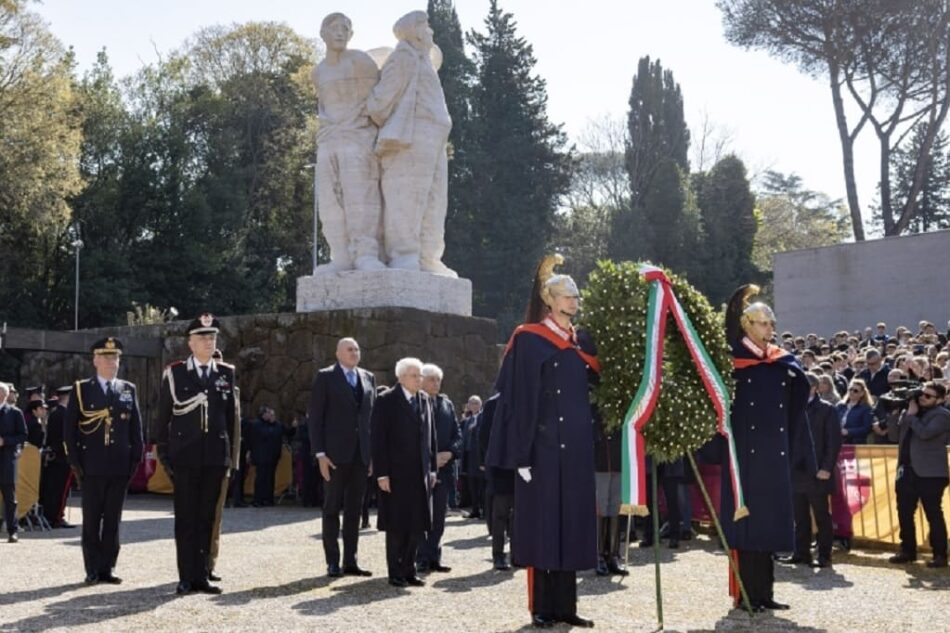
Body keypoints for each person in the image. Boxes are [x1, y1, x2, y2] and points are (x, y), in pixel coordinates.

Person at [486, 254, 598, 629]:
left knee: (571, 526)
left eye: (576, 296)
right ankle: (542, 607)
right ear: (549, 299)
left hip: (577, 452)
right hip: (542, 451)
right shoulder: (529, 338)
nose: (574, 301)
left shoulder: (584, 342)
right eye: (567, 296)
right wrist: (521, 454)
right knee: (544, 526)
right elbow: (516, 400)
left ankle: (566, 606)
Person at [717, 285, 815, 613]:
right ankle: (748, 595)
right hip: (745, 455)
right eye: (763, 324)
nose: (770, 329)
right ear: (747, 325)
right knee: (749, 527)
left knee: (770, 524)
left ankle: (765, 593)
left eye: (771, 324)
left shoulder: (779, 361)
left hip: (774, 453)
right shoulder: (732, 362)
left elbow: (795, 406)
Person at [366, 10, 456, 276]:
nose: (430, 30)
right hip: (410, 140)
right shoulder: (403, 57)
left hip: (435, 141)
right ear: (412, 29)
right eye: (425, 25)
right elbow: (379, 103)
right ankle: (404, 255)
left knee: (434, 201)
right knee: (406, 199)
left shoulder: (424, 60)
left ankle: (428, 257)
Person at [154, 313, 237, 595]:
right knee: (186, 519)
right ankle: (186, 576)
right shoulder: (176, 373)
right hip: (185, 457)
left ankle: (202, 575)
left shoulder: (226, 373)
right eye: (202, 337)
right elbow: (162, 418)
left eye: (212, 337)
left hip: (214, 456)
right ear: (190, 343)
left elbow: (230, 419)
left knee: (207, 518)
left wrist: (229, 457)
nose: (208, 342)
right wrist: (164, 457)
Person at [63, 338, 144, 583]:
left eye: (116, 357)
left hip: (119, 466)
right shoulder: (82, 389)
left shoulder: (127, 389)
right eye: (107, 357)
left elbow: (135, 429)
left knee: (112, 520)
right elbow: (70, 430)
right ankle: (92, 568)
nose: (112, 362)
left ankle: (108, 567)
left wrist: (135, 460)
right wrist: (76, 463)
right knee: (91, 520)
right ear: (95, 360)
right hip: (91, 466)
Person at [311, 12, 386, 273]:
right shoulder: (318, 72)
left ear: (351, 35)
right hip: (329, 139)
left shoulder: (361, 62)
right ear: (323, 34)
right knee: (330, 201)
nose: (340, 33)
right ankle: (340, 256)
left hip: (358, 137)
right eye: (334, 28)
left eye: (345, 28)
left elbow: (379, 100)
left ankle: (366, 254)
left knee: (360, 197)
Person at [308, 337, 376, 578]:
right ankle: (332, 561)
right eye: (349, 349)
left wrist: (372, 455)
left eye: (357, 349)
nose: (354, 352)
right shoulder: (326, 377)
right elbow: (315, 417)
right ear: (338, 353)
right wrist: (320, 454)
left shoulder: (368, 378)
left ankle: (351, 560)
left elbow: (371, 420)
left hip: (360, 455)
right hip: (334, 455)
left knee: (355, 510)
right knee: (331, 508)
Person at [371, 357, 437, 588]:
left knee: (416, 525)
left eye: (420, 376)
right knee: (397, 525)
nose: (419, 380)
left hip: (420, 474)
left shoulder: (425, 400)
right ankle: (395, 571)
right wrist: (381, 474)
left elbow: (431, 437)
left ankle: (409, 569)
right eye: (414, 375)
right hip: (395, 474)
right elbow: (378, 440)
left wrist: (433, 469)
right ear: (400, 377)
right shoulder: (386, 400)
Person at [782, 373, 842, 568]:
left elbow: (833, 442)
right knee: (799, 516)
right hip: (796, 470)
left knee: (822, 515)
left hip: (817, 472)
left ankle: (824, 555)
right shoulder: (793, 409)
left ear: (814, 388)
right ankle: (801, 552)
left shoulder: (827, 410)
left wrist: (826, 468)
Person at [887, 382, 950, 568]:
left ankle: (939, 554)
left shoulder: (942, 415)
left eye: (928, 396)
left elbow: (925, 433)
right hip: (906, 470)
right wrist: (895, 414)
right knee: (904, 512)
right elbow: (894, 436)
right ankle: (907, 550)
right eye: (922, 394)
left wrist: (912, 416)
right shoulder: (911, 412)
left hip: (931, 473)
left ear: (940, 399)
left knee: (933, 513)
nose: (923, 398)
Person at [416, 363, 461, 574]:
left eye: (438, 380)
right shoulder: (414, 403)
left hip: (444, 469)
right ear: (421, 380)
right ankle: (421, 557)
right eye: (432, 379)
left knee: (439, 517)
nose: (436, 383)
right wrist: (431, 459)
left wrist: (450, 453)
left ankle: (434, 556)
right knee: (421, 514)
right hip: (420, 470)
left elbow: (458, 435)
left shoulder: (447, 404)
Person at [207, 349, 241, 583]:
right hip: (197, 458)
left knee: (215, 516)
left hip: (222, 458)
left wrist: (233, 459)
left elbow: (235, 428)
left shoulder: (232, 391)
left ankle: (210, 563)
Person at [478, 394, 514, 570]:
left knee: (519, 515)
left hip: (521, 466)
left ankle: (518, 552)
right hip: (500, 467)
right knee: (500, 514)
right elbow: (484, 435)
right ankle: (498, 554)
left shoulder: (526, 398)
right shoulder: (492, 403)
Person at [593, 406, 629, 574]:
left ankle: (613, 555)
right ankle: (598, 555)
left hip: (618, 458)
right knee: (601, 507)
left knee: (615, 507)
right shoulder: (591, 387)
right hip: (600, 460)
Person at [41, 386, 76, 528]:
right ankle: (57, 517)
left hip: (55, 456)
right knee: (61, 490)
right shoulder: (65, 414)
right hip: (63, 457)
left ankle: (52, 515)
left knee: (54, 488)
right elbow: (66, 438)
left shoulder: (56, 413)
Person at [0, 382, 28, 543]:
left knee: (9, 498)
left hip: (6, 460)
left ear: (4, 395)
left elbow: (23, 435)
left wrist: (5, 441)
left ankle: (12, 530)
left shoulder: (15, 413)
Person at [248, 406, 283, 507]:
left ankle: (268, 499)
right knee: (261, 478)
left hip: (272, 457)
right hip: (261, 456)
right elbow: (256, 438)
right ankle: (258, 499)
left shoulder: (274, 425)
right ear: (263, 414)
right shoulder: (257, 424)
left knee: (270, 479)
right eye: (268, 413)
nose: (270, 416)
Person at [835, 379, 875, 444]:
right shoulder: (840, 405)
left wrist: (848, 431)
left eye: (855, 391)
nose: (852, 392)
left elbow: (867, 429)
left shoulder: (866, 408)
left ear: (862, 393)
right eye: (850, 389)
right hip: (837, 440)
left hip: (855, 442)